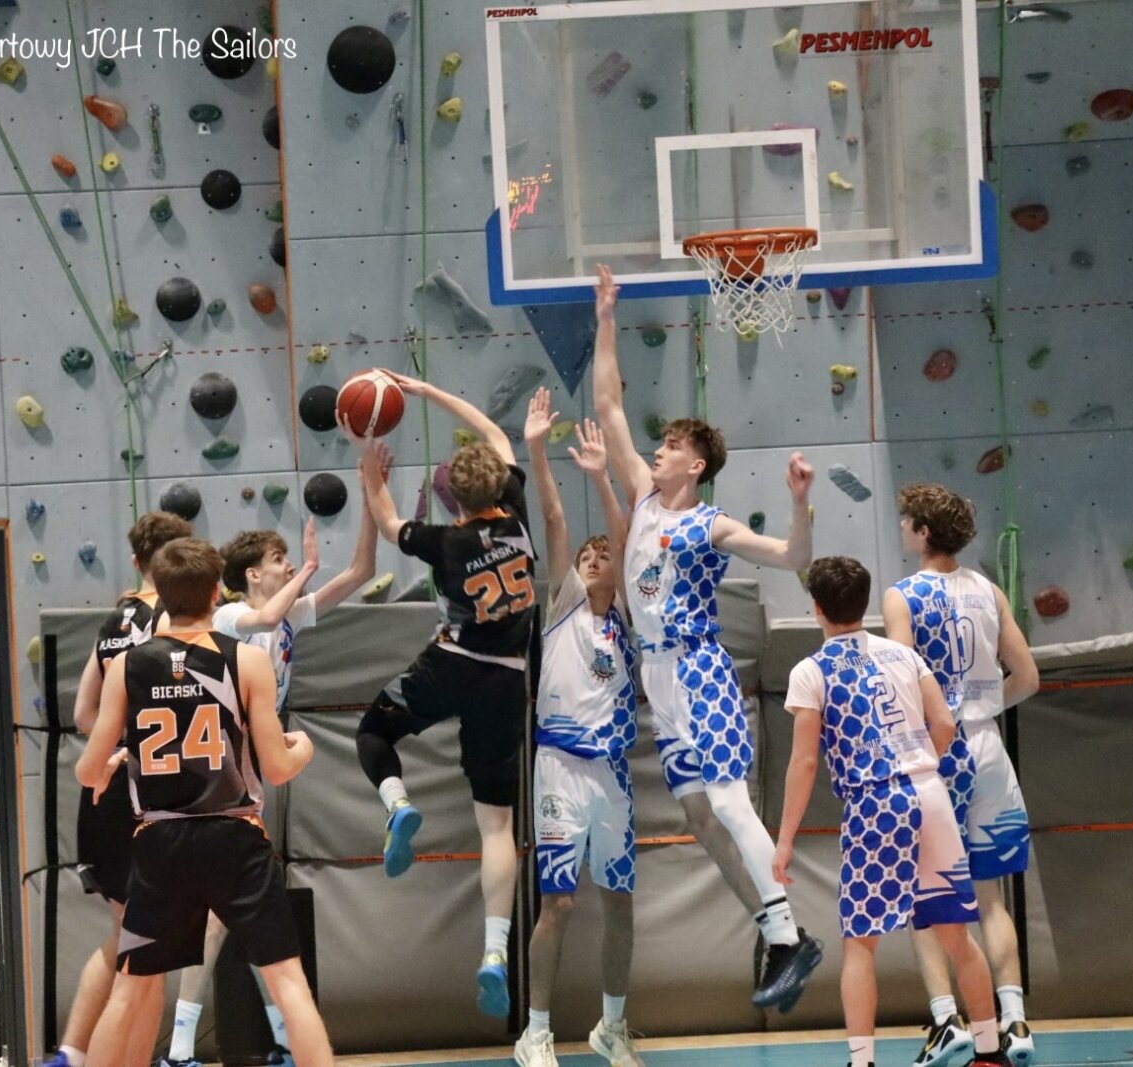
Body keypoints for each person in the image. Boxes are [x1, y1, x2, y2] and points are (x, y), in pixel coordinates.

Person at [589, 263, 822, 1008]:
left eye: (669, 446)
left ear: (695, 464)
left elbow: (792, 559)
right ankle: (776, 931)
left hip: (699, 671)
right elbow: (607, 404)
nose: (655, 451)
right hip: (657, 679)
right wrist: (605, 317)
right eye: (656, 445)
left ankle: (788, 934)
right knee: (697, 815)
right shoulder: (643, 498)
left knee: (727, 802)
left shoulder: (708, 523)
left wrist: (800, 503)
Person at [77, 538, 332, 1067]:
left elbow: (86, 770)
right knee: (289, 983)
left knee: (129, 990)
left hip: (161, 839)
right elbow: (278, 768)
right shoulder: (246, 661)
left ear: (159, 594)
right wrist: (304, 748)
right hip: (234, 835)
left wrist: (115, 760)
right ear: (217, 591)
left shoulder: (126, 666)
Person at [165, 479, 382, 1067]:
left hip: (249, 765)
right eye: (278, 559)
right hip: (215, 767)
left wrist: (371, 495)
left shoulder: (288, 614)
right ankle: (195, 1046)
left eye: (290, 559)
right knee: (225, 911)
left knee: (238, 911)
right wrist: (306, 568)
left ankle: (254, 1042)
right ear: (252, 574)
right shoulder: (232, 613)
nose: (288, 566)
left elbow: (360, 571)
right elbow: (264, 616)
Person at [348, 373, 537, 1018]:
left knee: (373, 731)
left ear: (451, 496)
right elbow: (490, 431)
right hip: (507, 678)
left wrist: (367, 458)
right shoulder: (518, 516)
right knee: (497, 826)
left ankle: (398, 804)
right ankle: (495, 951)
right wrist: (428, 391)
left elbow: (387, 521)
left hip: (451, 665)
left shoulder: (446, 542)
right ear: (499, 486)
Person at [775, 556, 1007, 1067]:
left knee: (861, 943)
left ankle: (862, 1062)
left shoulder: (810, 671)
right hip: (930, 792)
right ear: (865, 603)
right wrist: (922, 763)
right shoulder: (904, 656)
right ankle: (991, 1052)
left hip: (875, 801)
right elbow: (944, 723)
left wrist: (785, 838)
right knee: (957, 936)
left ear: (816, 608)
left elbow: (805, 761)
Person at [884, 484, 1041, 1067]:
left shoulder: (902, 596)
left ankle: (947, 1020)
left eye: (907, 520)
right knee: (991, 897)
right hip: (987, 746)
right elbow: (1027, 677)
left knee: (923, 896)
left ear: (924, 532)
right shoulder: (988, 591)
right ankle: (1015, 1022)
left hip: (936, 749)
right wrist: (981, 710)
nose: (902, 527)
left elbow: (902, 685)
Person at [514, 391, 642, 1067]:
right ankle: (535, 1032)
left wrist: (603, 477)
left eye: (603, 555)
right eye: (586, 556)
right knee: (558, 903)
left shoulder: (630, 619)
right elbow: (555, 519)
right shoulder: (564, 603)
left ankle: (612, 1026)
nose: (592, 559)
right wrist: (537, 449)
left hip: (614, 774)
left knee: (620, 902)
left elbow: (627, 539)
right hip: (561, 766)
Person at [44, 511, 194, 1067]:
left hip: (104, 794)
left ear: (136, 561)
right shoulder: (177, 619)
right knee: (148, 954)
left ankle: (71, 1052)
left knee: (128, 938)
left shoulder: (114, 621)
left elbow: (85, 714)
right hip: (151, 795)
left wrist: (121, 739)